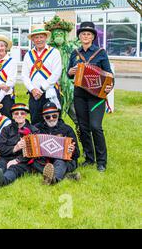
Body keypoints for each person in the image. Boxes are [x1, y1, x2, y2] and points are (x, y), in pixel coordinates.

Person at [67, 21, 113, 172]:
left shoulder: (100, 52)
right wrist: (71, 72)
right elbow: (68, 74)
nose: (85, 36)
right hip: (79, 95)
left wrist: (108, 85)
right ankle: (89, 158)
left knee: (95, 127)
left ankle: (101, 161)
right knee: (83, 127)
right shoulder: (75, 53)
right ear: (79, 36)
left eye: (88, 34)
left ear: (93, 37)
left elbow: (109, 75)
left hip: (96, 96)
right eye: (83, 34)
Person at [0, 103, 39, 189]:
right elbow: (0, 149)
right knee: (1, 166)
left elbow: (35, 152)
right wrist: (15, 148)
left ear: (26, 115)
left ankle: (1, 181)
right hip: (6, 157)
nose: (19, 115)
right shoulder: (6, 129)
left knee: (13, 169)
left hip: (23, 161)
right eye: (16, 113)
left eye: (22, 113)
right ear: (12, 115)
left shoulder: (34, 131)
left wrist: (17, 160)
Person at [22, 25, 62, 125]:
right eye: (36, 37)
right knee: (35, 122)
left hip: (50, 92)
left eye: (41, 37)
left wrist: (41, 89)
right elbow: (24, 75)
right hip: (34, 94)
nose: (39, 40)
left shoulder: (54, 52)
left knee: (53, 122)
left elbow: (56, 73)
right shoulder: (28, 54)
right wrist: (32, 89)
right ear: (32, 39)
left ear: (45, 37)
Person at [34, 102, 81, 185]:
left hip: (64, 161)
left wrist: (72, 150)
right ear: (43, 117)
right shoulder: (37, 128)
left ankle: (54, 179)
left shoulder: (67, 129)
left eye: (54, 116)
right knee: (32, 162)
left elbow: (77, 154)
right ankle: (66, 176)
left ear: (58, 115)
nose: (51, 118)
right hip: (45, 160)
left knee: (60, 161)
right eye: (48, 117)